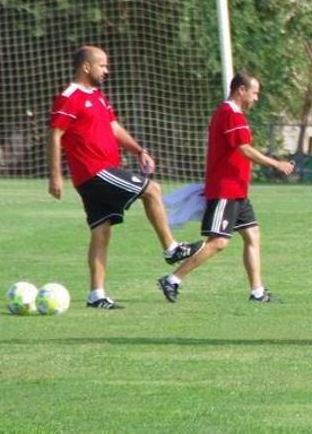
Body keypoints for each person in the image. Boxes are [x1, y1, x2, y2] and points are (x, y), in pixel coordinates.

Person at [47, 45, 204, 309]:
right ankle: (171, 249)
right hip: (94, 171)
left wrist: (139, 149)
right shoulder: (69, 97)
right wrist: (54, 176)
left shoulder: (98, 96)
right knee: (152, 189)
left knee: (101, 232)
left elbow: (113, 127)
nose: (106, 70)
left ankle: (96, 295)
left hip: (99, 172)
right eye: (102, 65)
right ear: (86, 67)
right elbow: (55, 134)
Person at [157, 72, 294, 303]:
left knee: (252, 235)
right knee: (218, 242)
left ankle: (257, 292)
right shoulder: (229, 113)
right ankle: (172, 280)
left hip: (238, 191)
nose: (256, 98)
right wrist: (276, 163)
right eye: (254, 93)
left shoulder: (236, 114)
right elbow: (244, 149)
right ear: (241, 90)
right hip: (225, 191)